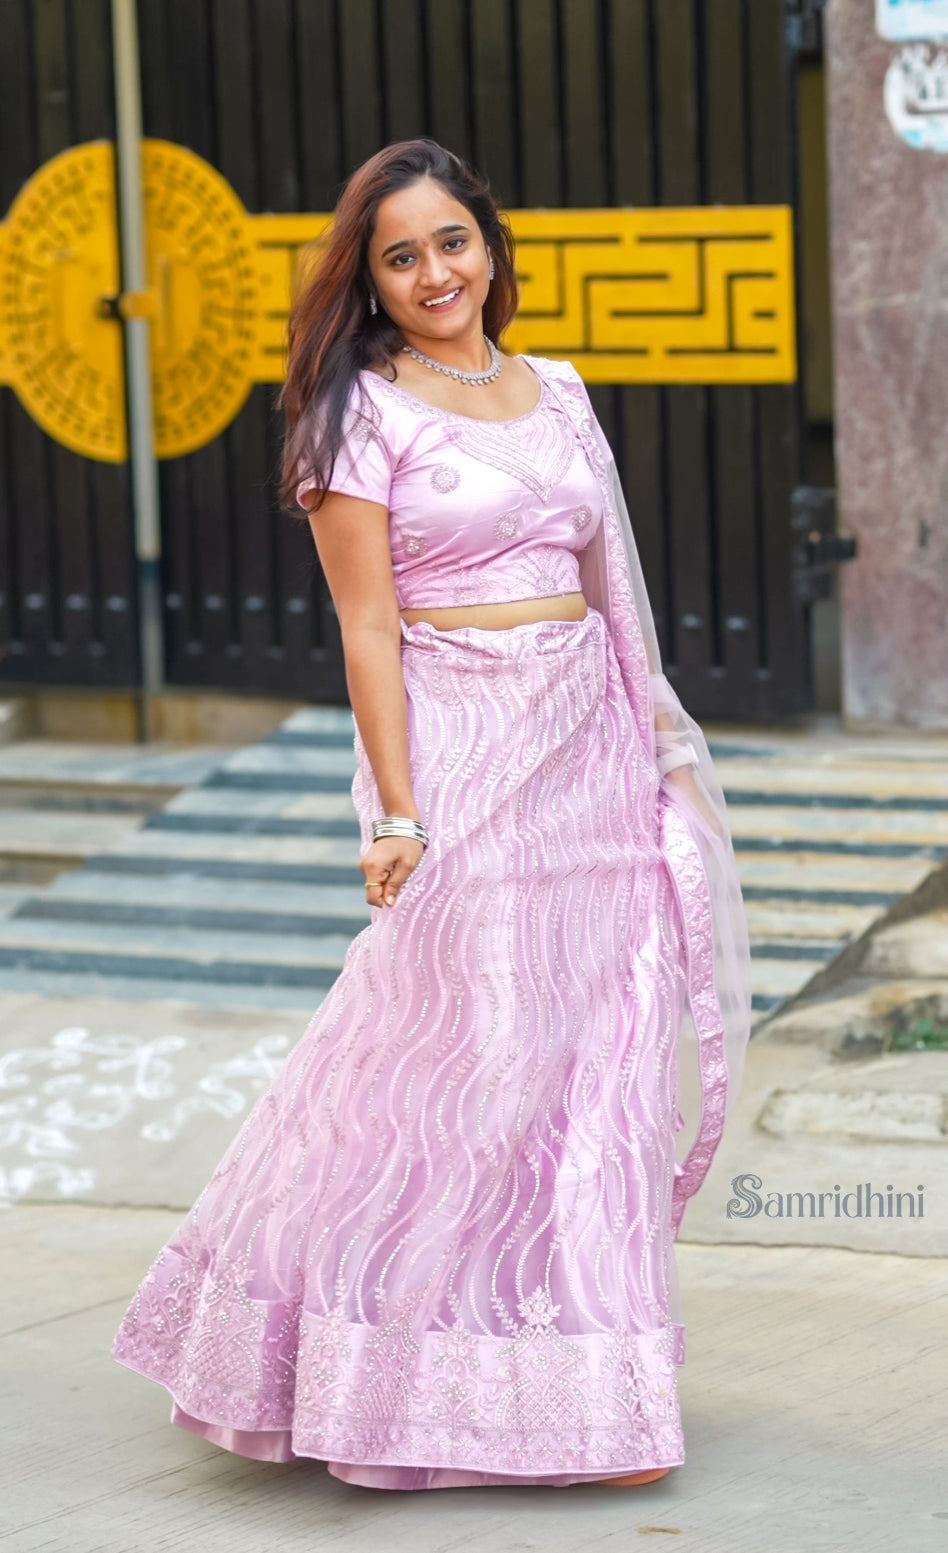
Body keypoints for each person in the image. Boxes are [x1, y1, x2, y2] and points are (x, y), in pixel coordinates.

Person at [111, 138, 752, 1491]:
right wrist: (396, 811)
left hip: (585, 746)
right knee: (467, 1058)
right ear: (372, 278)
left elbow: (611, 582)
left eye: (451, 241)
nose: (433, 273)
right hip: (464, 753)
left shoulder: (561, 390)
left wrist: (662, 749)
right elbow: (365, 627)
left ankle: (585, 1385)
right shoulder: (358, 411)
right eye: (400, 255)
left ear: (490, 246)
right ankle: (366, 1361)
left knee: (596, 1069)